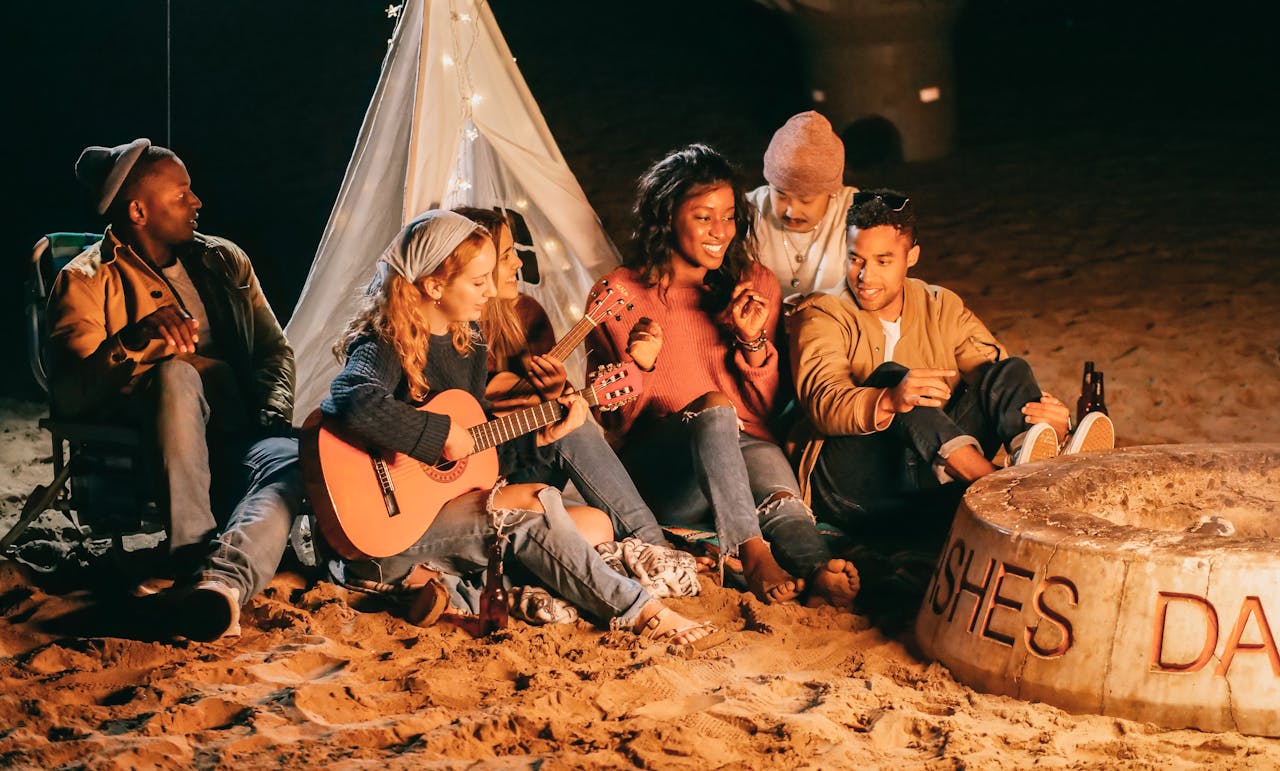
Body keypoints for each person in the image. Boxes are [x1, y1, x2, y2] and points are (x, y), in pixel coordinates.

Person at [320, 209, 721, 647]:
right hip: (387, 530)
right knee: (529, 513)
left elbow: (475, 460)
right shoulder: (385, 341)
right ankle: (641, 611)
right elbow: (349, 398)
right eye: (478, 281)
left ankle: (445, 587)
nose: (491, 290)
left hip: (442, 512)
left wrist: (542, 439)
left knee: (594, 525)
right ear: (434, 287)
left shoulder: (467, 343)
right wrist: (436, 436)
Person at [48, 138, 303, 641]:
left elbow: (275, 352)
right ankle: (193, 551)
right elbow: (71, 396)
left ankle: (217, 578)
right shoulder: (86, 280)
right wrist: (135, 341)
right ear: (138, 210)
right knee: (175, 372)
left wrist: (272, 413)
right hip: (158, 444)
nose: (197, 203)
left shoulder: (225, 262)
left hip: (243, 427)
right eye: (181, 194)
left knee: (295, 459)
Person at [586, 144, 859, 610]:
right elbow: (615, 421)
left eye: (729, 217)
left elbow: (764, 411)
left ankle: (816, 571)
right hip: (666, 471)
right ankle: (752, 555)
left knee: (780, 497)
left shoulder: (754, 284)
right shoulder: (619, 294)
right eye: (703, 217)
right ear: (667, 216)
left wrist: (752, 344)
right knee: (713, 407)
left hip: (742, 449)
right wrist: (642, 365)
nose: (720, 232)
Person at [789, 189, 1116, 531]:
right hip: (851, 489)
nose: (865, 276)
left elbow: (1000, 383)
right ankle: (1007, 488)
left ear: (911, 257)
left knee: (1010, 370)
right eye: (856, 259)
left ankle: (1030, 462)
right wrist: (890, 398)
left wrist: (1050, 418)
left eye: (883, 261)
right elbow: (823, 403)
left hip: (925, 472)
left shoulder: (939, 305)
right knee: (896, 380)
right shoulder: (821, 313)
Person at [456, 206, 670, 548]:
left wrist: (559, 389)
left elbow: (548, 407)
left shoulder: (526, 315)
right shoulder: (450, 336)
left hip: (523, 458)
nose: (519, 264)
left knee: (573, 420)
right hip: (469, 474)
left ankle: (649, 541)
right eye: (507, 254)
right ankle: (650, 542)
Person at [747, 111, 859, 299]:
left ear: (832, 192)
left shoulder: (853, 213)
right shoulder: (749, 210)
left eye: (805, 200)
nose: (791, 211)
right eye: (780, 195)